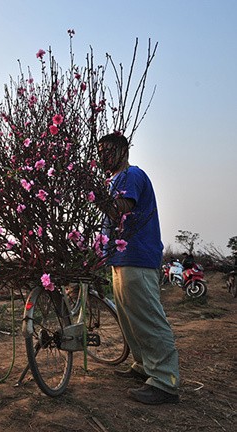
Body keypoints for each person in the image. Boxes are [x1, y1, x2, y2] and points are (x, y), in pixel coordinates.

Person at [97, 133, 180, 405]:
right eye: (100, 152)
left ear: (123, 151)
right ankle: (144, 366)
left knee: (147, 316)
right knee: (129, 317)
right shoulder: (115, 180)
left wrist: (98, 196)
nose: (103, 157)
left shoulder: (131, 175)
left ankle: (164, 381)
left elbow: (122, 208)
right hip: (122, 258)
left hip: (138, 255)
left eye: (108, 151)